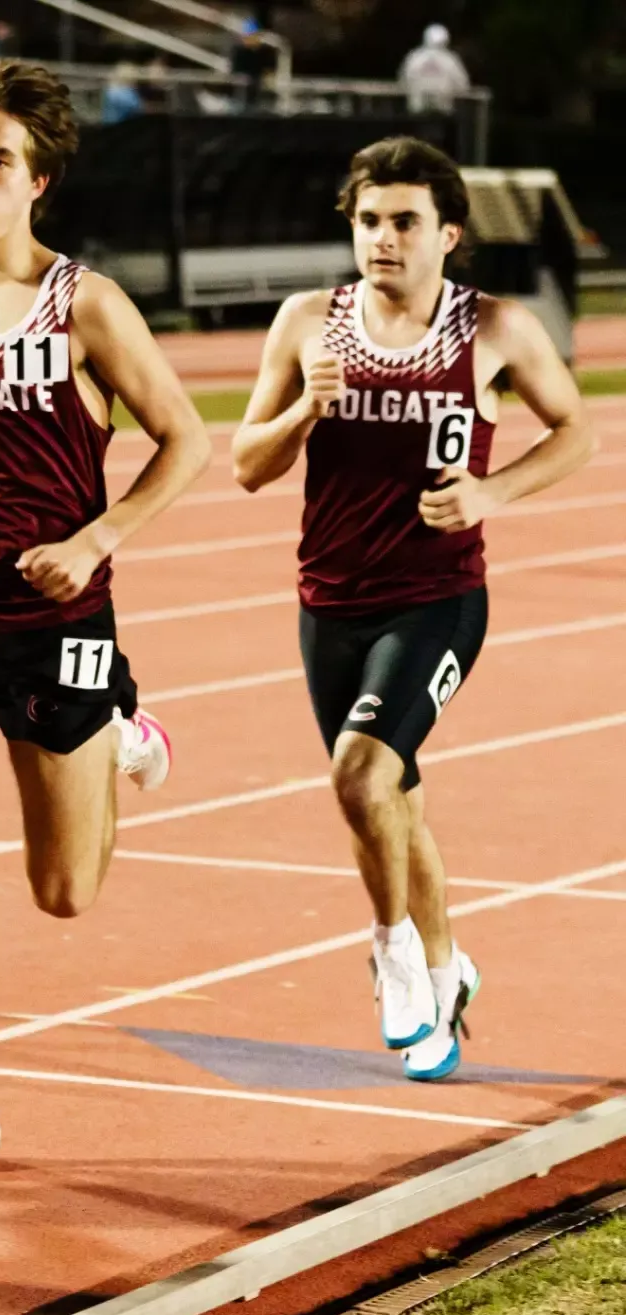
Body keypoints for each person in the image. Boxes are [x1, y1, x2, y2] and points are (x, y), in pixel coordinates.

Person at [0, 59, 207, 1174]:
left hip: (57, 623)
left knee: (63, 893)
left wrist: (94, 539)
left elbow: (184, 437)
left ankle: (115, 722)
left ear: (37, 180)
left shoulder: (86, 305)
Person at [232, 136, 591, 1081]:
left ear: (448, 233)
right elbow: (246, 465)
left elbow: (576, 433)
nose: (383, 239)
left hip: (437, 600)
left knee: (360, 775)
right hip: (330, 601)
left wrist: (491, 493)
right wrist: (305, 412)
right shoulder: (308, 322)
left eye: (404, 222)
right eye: (368, 222)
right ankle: (446, 969)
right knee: (394, 804)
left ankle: (391, 946)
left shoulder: (495, 329)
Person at [399, 23, 469, 115]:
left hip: (417, 110)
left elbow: (403, 81)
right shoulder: (451, 59)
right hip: (443, 110)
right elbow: (462, 85)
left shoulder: (414, 57)